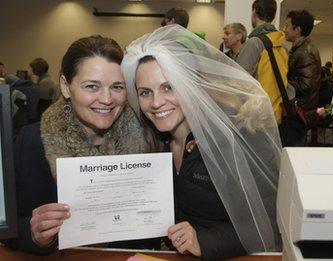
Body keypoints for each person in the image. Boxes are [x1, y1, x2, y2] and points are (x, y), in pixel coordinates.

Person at [122, 25, 282, 260]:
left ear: (190, 84)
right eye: (145, 92)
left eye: (168, 87)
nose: (156, 102)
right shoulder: (149, 142)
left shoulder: (237, 138)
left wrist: (204, 240)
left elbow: (271, 223)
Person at [10, 35, 152, 254]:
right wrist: (34, 234)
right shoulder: (31, 142)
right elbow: (11, 228)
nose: (106, 99)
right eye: (91, 86)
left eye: (117, 87)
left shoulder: (148, 137)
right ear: (66, 87)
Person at [236, 0, 289, 125]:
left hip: (254, 118)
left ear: (254, 12)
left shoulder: (254, 43)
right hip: (274, 115)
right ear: (273, 16)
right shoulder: (282, 46)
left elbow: (239, 82)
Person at [284, 9, 321, 145]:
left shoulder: (305, 52)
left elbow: (305, 85)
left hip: (299, 115)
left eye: (286, 26)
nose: (284, 30)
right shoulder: (300, 49)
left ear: (297, 29)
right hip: (299, 113)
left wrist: (283, 81)